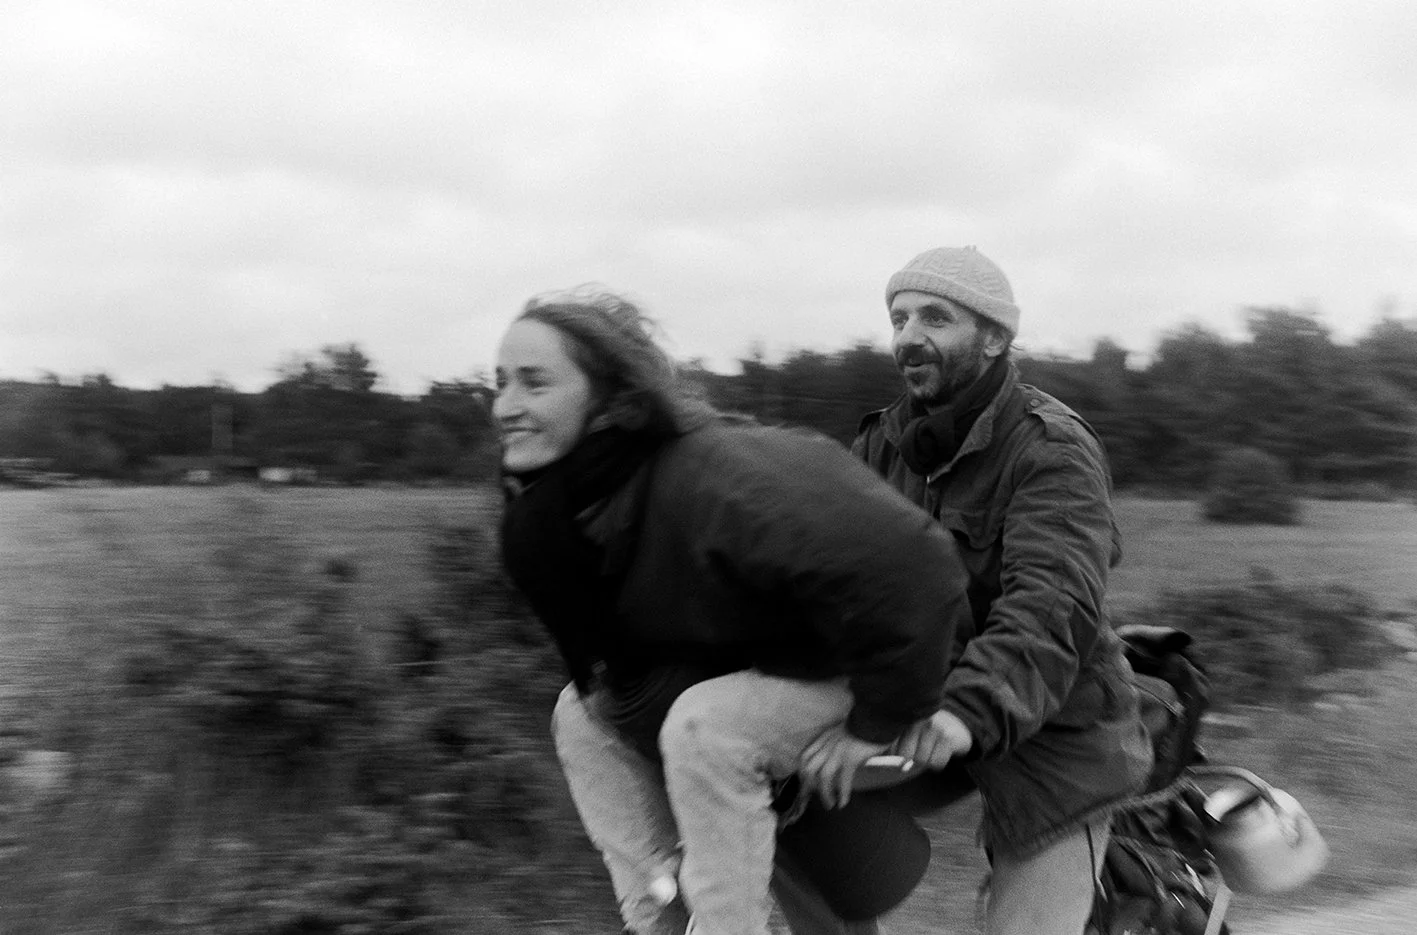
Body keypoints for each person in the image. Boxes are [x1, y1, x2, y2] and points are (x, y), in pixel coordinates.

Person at [493, 289, 974, 935]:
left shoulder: (717, 475)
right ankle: (658, 916)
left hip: (906, 670)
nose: (505, 406)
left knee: (706, 730)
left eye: (534, 382)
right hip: (785, 662)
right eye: (499, 383)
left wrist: (872, 722)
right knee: (582, 715)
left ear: (612, 398)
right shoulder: (564, 507)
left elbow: (920, 569)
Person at [846, 246, 1155, 935]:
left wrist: (966, 710)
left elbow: (1052, 605)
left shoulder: (1050, 447)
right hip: (924, 703)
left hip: (1054, 729)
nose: (907, 336)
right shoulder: (883, 445)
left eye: (934, 316)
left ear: (992, 337)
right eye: (897, 318)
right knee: (802, 811)